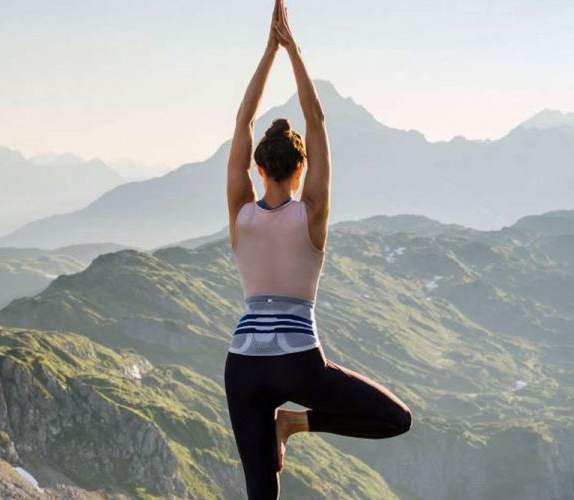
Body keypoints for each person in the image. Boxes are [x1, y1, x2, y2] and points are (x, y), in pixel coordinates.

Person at [223, 1, 413, 497]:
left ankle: (282, 426)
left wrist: (267, 51)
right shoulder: (312, 217)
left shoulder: (240, 215)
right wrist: (292, 49)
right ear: (301, 170)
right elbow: (317, 116)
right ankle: (293, 424)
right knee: (395, 418)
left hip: (242, 366)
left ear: (259, 170)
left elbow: (243, 120)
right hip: (299, 363)